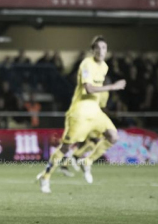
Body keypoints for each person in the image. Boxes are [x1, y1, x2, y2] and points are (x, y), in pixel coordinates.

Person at [37, 36, 126, 193]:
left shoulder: (104, 66)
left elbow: (98, 91)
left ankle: (87, 161)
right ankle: (45, 176)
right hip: (80, 112)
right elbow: (89, 89)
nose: (101, 51)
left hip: (95, 111)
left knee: (113, 136)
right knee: (65, 148)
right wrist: (112, 87)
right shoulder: (86, 64)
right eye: (97, 48)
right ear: (92, 50)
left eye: (104, 47)